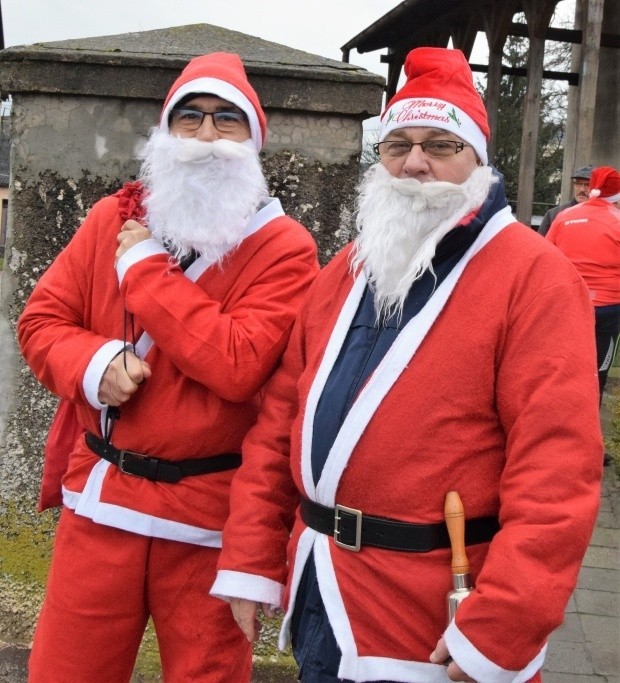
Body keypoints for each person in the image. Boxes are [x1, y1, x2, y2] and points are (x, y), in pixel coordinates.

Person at [210, 47, 604, 683]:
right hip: (324, 586)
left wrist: (504, 623)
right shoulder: (347, 268)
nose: (414, 162)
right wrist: (252, 558)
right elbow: (282, 418)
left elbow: (558, 469)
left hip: (433, 614)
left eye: (441, 145)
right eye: (397, 144)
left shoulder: (535, 276)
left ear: (478, 157)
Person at [17, 51, 319, 682]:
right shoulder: (112, 219)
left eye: (226, 121)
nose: (206, 137)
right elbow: (41, 322)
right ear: (165, 131)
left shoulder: (285, 248)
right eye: (191, 118)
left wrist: (146, 272)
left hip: (210, 518)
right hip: (102, 502)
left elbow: (237, 363)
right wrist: (93, 363)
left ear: (253, 139)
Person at [546, 165, 620, 438]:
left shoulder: (564, 217)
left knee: (559, 369)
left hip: (567, 304)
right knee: (597, 373)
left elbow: (545, 256)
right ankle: (587, 439)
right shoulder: (617, 220)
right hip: (607, 309)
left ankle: (552, 433)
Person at [537, 164, 593, 237]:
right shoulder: (553, 214)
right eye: (578, 184)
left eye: (587, 185)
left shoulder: (603, 215)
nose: (582, 189)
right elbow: (541, 244)